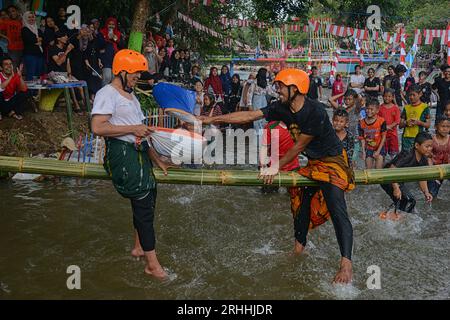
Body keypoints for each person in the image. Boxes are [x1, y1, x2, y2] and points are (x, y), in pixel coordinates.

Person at [200, 68, 355, 284]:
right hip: (313, 163)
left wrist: (275, 167)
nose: (277, 89)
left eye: (281, 86)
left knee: (336, 205)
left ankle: (346, 264)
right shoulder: (281, 108)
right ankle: (299, 249)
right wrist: (212, 120)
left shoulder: (316, 111)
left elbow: (298, 146)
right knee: (301, 202)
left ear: (295, 89)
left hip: (333, 162)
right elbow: (250, 115)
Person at [91, 49, 171, 280]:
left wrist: (158, 161)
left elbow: (142, 134)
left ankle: (138, 247)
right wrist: (133, 129)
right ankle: (152, 265)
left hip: (139, 152)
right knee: (143, 204)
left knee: (149, 196)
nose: (138, 77)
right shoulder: (108, 93)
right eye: (135, 73)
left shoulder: (132, 97)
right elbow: (97, 127)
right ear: (122, 71)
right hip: (121, 154)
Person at [380, 132, 434, 215]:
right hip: (388, 178)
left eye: (431, 146)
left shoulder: (424, 159)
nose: (429, 149)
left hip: (398, 179)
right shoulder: (407, 154)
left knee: (408, 202)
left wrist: (426, 192)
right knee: (407, 200)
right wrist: (396, 188)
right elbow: (392, 170)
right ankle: (388, 215)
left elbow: (422, 177)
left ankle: (393, 215)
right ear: (417, 146)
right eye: (427, 146)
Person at [399, 85, 431, 152]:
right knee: (406, 157)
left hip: (418, 138)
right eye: (410, 95)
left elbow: (428, 125)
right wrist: (406, 123)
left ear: (420, 94)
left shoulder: (425, 107)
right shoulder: (406, 108)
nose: (411, 97)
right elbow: (400, 125)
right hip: (406, 137)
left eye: (414, 95)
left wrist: (419, 122)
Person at [247, 68, 277, 136]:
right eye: (266, 73)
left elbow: (270, 92)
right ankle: (257, 136)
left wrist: (278, 96)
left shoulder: (265, 82)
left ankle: (262, 135)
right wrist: (249, 104)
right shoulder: (254, 82)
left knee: (264, 118)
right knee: (257, 118)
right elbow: (250, 93)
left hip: (263, 100)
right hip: (256, 100)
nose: (267, 74)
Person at [358, 99, 387, 169]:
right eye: (367, 109)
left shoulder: (381, 121)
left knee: (378, 169)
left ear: (377, 110)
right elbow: (362, 139)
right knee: (369, 170)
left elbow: (384, 137)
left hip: (379, 147)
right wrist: (363, 152)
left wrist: (378, 151)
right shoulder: (361, 123)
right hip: (369, 148)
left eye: (372, 109)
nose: (369, 111)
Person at [427, 116, 450, 198]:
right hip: (435, 169)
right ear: (436, 127)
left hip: (447, 168)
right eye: (443, 126)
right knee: (432, 193)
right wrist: (431, 171)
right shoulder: (432, 140)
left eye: (448, 127)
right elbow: (428, 156)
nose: (445, 129)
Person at [0, 56, 27, 121]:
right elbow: (0, 88)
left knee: (26, 93)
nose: (9, 66)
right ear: (1, 68)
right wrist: (10, 77)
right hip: (1, 103)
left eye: (10, 64)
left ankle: (11, 112)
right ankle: (6, 113)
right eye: (6, 64)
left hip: (10, 102)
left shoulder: (15, 75)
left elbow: (24, 89)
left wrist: (20, 77)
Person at [99, 17, 124, 86]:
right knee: (107, 77)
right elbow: (99, 45)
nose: (111, 26)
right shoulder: (102, 32)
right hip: (106, 58)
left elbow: (122, 46)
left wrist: (115, 38)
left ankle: (111, 95)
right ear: (106, 24)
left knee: (114, 78)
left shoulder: (118, 34)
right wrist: (107, 38)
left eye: (113, 24)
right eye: (109, 24)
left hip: (115, 59)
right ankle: (103, 94)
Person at [21, 11, 44, 81]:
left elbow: (44, 39)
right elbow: (30, 39)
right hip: (30, 55)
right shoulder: (24, 29)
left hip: (39, 54)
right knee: (31, 74)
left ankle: (37, 92)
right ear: (25, 18)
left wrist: (40, 40)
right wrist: (39, 39)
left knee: (38, 75)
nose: (31, 19)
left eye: (33, 17)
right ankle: (30, 92)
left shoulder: (38, 30)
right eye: (29, 17)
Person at [378, 89, 400, 159]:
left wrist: (389, 126)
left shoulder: (395, 108)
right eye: (385, 96)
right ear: (383, 96)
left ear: (393, 97)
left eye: (389, 96)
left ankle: (392, 166)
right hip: (382, 134)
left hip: (392, 134)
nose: (387, 98)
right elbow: (378, 119)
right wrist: (384, 127)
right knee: (382, 153)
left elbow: (397, 121)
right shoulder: (380, 107)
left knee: (393, 153)